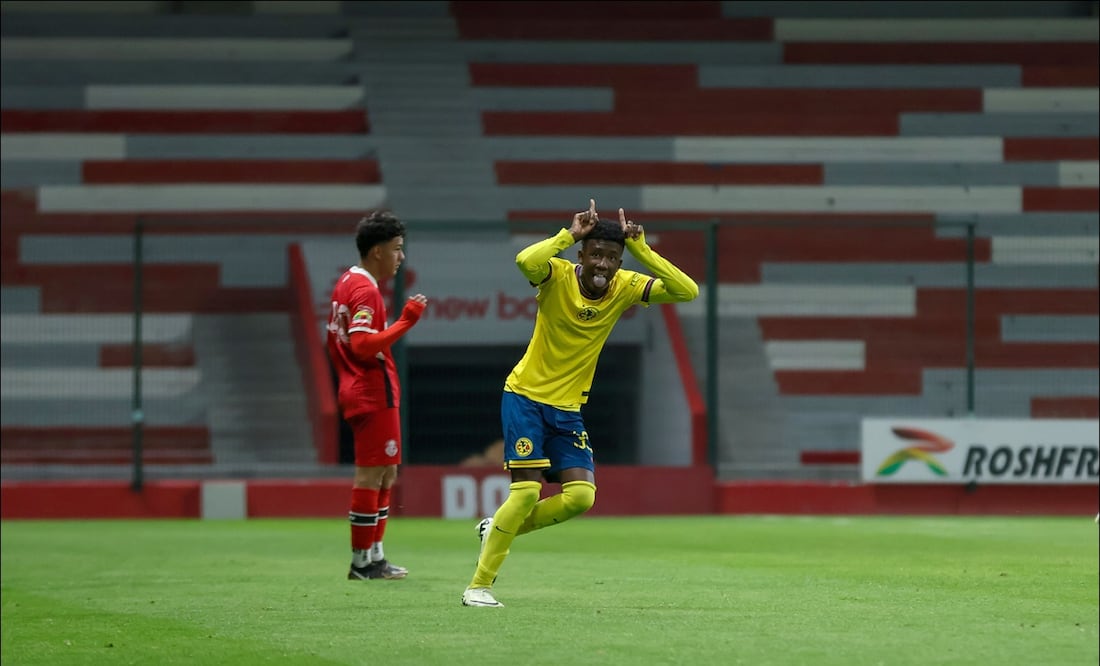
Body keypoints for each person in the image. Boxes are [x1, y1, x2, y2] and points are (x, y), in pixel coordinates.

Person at [461, 199, 699, 607]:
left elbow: (687, 291)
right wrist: (566, 234)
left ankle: (498, 527)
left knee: (581, 497)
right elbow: (524, 260)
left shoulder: (625, 286)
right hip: (525, 397)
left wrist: (641, 249)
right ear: (581, 256)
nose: (604, 264)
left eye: (612, 257)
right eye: (596, 255)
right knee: (524, 495)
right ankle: (478, 587)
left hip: (567, 408)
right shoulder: (555, 274)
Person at [326, 210, 428, 581]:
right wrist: (406, 320)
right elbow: (363, 345)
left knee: (385, 475)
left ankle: (375, 557)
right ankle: (361, 562)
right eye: (397, 249)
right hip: (370, 392)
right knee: (371, 475)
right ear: (377, 251)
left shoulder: (348, 282)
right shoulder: (365, 288)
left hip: (365, 391)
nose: (401, 257)